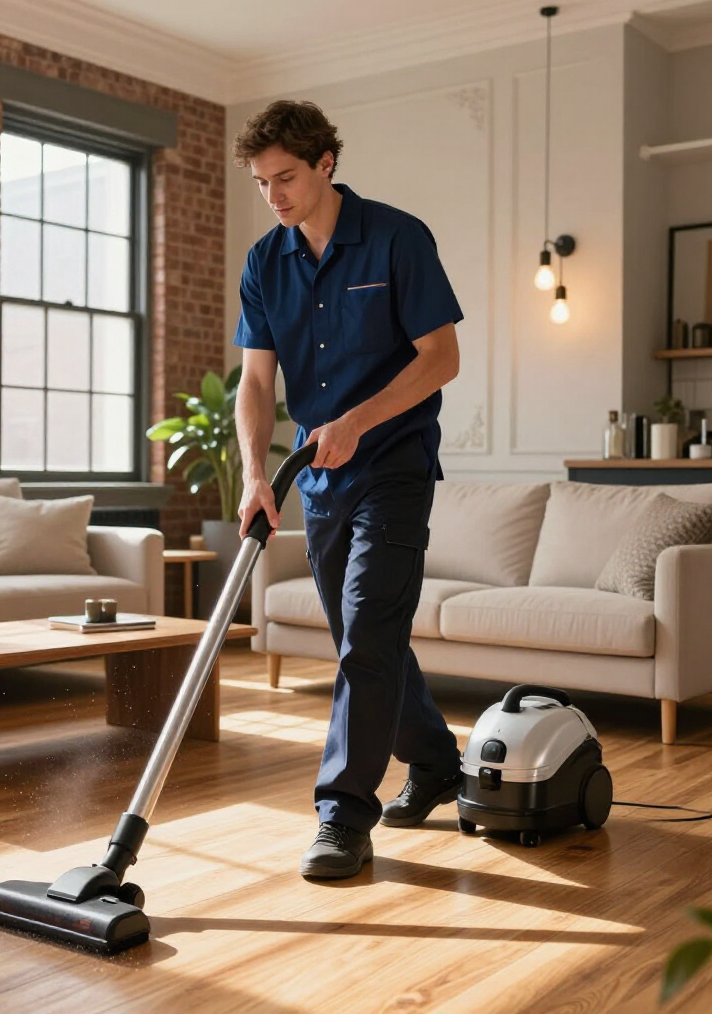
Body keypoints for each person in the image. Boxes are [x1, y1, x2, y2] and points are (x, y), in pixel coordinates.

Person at [232, 100, 465, 880]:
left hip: (395, 465)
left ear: (326, 162)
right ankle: (436, 763)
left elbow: (441, 358)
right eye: (262, 182)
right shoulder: (266, 261)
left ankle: (342, 816)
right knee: (366, 639)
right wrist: (255, 472)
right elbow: (256, 381)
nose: (275, 195)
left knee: (366, 632)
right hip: (319, 478)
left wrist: (359, 421)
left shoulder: (398, 238)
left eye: (286, 177)